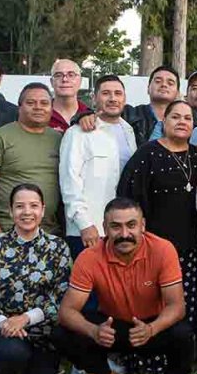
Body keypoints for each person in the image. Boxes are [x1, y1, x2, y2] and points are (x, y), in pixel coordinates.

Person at [58, 198, 197, 374]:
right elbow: (66, 311)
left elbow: (177, 306)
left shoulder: (163, 249)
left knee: (182, 332)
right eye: (116, 226)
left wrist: (151, 329)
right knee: (64, 331)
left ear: (143, 225)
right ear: (105, 227)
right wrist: (94, 331)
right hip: (112, 327)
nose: (124, 233)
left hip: (152, 326)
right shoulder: (89, 257)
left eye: (131, 225)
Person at [0, 183, 76, 374]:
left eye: (33, 206)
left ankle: (33, 372)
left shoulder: (57, 247)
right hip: (2, 329)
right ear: (11, 211)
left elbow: (61, 295)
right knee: (13, 352)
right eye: (20, 206)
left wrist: (26, 318)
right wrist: (5, 323)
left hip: (41, 331)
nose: (27, 212)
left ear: (43, 210)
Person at [117, 100, 197, 342]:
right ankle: (147, 350)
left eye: (187, 118)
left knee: (184, 300)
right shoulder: (147, 154)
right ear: (163, 121)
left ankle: (180, 349)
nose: (182, 122)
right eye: (175, 117)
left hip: (190, 246)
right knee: (151, 301)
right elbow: (128, 200)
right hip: (153, 246)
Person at [60, 74, 139, 262]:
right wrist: (84, 223)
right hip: (89, 230)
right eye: (106, 93)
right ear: (94, 98)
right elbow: (69, 181)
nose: (112, 98)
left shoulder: (129, 131)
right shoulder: (78, 133)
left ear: (124, 99)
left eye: (118, 93)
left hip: (122, 229)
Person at [0, 83, 63, 237]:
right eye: (31, 103)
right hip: (8, 231)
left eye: (44, 103)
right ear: (19, 107)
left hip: (49, 234)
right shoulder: (0, 137)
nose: (38, 107)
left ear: (52, 108)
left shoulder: (60, 139)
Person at [48, 58, 93, 132]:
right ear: (51, 82)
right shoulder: (41, 114)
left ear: (80, 81)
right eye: (58, 75)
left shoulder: (90, 116)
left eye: (71, 75)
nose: (65, 79)